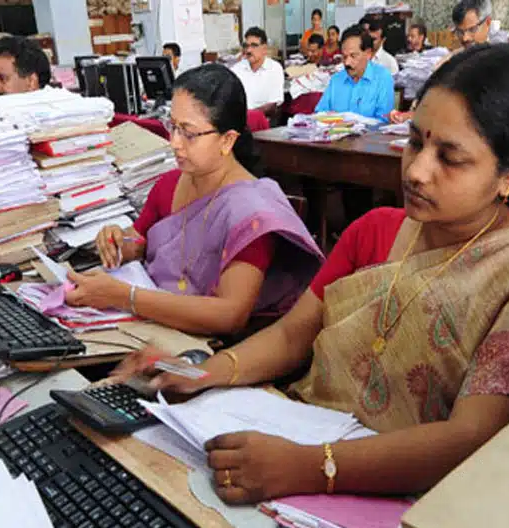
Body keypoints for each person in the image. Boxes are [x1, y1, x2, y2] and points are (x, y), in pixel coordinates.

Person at [108, 44, 509, 504]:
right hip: (298, 438)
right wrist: (198, 372)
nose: (416, 171)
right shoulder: (377, 229)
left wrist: (311, 468)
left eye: (450, 158)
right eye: (414, 142)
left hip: (405, 500)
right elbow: (292, 335)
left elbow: (470, 439)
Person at [67, 64, 323, 337]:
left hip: (216, 346)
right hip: (155, 323)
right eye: (172, 127)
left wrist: (125, 297)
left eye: (188, 133)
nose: (174, 143)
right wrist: (118, 241)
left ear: (227, 140)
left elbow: (230, 315)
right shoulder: (170, 183)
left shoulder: (252, 213)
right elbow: (140, 240)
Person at [315, 25, 395, 120]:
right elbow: (320, 114)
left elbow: (383, 121)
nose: (347, 62)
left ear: (368, 54)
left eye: (353, 56)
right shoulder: (336, 79)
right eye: (344, 57)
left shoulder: (383, 78)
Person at [231, 27, 284, 117]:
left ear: (264, 48)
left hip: (263, 120)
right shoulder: (236, 70)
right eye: (246, 46)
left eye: (254, 45)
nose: (248, 50)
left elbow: (272, 105)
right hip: (240, 121)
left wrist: (250, 116)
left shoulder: (274, 68)